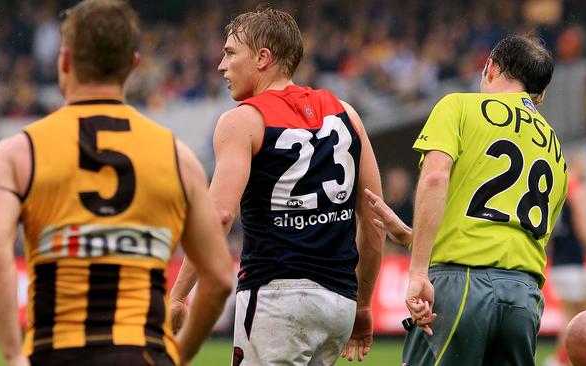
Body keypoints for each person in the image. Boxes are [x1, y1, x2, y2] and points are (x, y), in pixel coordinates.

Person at [0, 1, 232, 366]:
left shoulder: (19, 152)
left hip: (56, 351)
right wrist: (180, 354)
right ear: (133, 65)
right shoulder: (178, 158)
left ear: (64, 61)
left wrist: (12, 354)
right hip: (142, 352)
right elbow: (220, 277)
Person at [170, 7, 411, 365]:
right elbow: (375, 220)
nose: (221, 65)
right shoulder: (346, 114)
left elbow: (219, 216)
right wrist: (362, 305)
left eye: (231, 53)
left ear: (263, 57)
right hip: (338, 304)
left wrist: (178, 297)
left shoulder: (242, 121)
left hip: (276, 299)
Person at [367, 34, 568, 365]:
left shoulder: (458, 106)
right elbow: (505, 232)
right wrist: (408, 237)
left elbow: (434, 178)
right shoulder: (558, 152)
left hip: (462, 286)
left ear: (491, 67)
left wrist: (418, 271)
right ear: (540, 95)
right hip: (524, 298)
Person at [547, 147, 586, 366]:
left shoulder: (558, 188)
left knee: (570, 318)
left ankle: (557, 361)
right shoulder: (579, 188)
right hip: (575, 263)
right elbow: (583, 228)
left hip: (559, 265)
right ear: (579, 164)